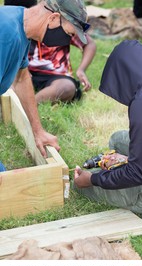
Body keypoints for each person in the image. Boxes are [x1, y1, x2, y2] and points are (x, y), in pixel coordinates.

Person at [74, 39, 142, 216]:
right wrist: (131, 160)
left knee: (82, 187)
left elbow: (138, 174)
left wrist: (92, 179)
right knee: (118, 139)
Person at [0, 0, 89, 158]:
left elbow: (22, 78)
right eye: (69, 34)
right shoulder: (7, 35)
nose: (66, 40)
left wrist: (38, 131)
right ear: (53, 18)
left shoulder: (22, 25)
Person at [4, 0, 96, 104]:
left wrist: (81, 70)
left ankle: (32, 103)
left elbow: (89, 44)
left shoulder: (64, 28)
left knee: (66, 87)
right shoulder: (16, 28)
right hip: (24, 72)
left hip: (54, 75)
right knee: (10, 82)